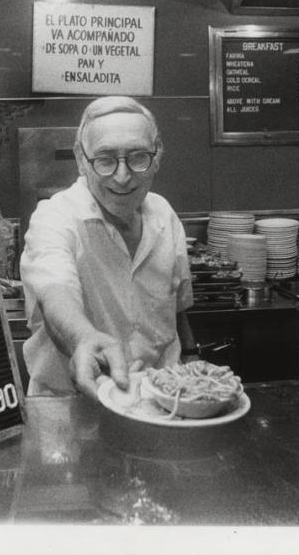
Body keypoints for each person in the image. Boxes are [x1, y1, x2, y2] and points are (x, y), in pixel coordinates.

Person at [19, 96, 196, 398]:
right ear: (80, 158)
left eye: (138, 156)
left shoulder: (164, 214)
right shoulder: (55, 217)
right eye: (105, 159)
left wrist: (191, 357)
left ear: (157, 157)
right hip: (73, 409)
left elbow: (176, 307)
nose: (123, 176)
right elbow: (55, 291)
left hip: (160, 402)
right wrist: (84, 338)